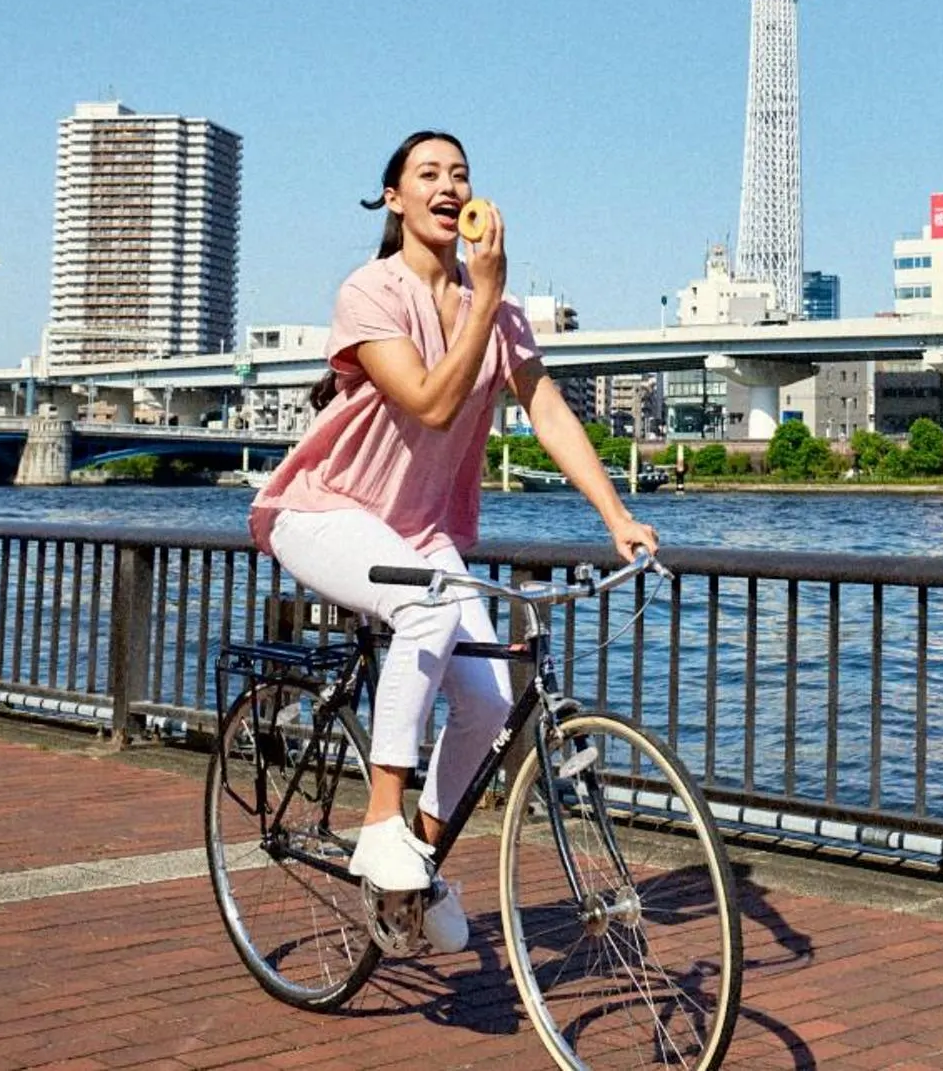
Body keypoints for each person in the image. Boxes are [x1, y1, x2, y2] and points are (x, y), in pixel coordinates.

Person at [248, 130, 659, 953]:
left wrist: (615, 515)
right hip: (323, 511)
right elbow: (433, 403)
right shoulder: (371, 290)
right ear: (395, 198)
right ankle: (379, 821)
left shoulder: (496, 311)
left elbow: (545, 409)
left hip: (417, 529)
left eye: (459, 173)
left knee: (491, 699)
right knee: (426, 607)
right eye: (428, 173)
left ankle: (415, 868)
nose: (447, 185)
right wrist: (489, 296)